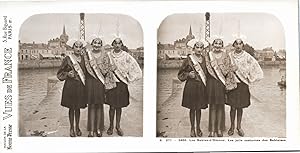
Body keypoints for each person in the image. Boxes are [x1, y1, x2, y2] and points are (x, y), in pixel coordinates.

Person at [105, 38, 142, 136]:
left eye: (119, 43)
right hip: (112, 84)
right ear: (112, 44)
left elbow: (135, 67)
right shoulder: (108, 55)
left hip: (121, 84)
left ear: (121, 44)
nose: (117, 45)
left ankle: (118, 126)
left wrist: (128, 77)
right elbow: (103, 67)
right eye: (115, 43)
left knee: (119, 106)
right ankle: (111, 126)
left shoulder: (126, 56)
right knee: (112, 107)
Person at [226, 38, 263, 137]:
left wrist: (247, 74)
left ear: (243, 45)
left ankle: (239, 127)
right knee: (233, 107)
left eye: (240, 44)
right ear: (234, 45)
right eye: (236, 44)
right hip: (233, 84)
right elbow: (224, 68)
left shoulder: (247, 56)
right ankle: (232, 127)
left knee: (240, 107)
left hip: (242, 84)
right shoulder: (229, 56)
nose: (238, 46)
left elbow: (255, 67)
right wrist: (231, 69)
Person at [83, 37, 115, 137]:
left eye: (99, 43)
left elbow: (106, 68)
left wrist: (98, 66)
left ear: (101, 45)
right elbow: (86, 67)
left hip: (100, 82)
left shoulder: (105, 55)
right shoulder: (86, 54)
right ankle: (91, 129)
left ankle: (98, 128)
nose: (96, 45)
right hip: (90, 82)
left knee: (99, 105)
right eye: (95, 43)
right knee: (91, 105)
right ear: (92, 44)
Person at [205, 38, 235, 137]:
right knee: (212, 106)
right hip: (212, 83)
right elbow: (208, 68)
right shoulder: (208, 55)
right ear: (213, 44)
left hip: (221, 83)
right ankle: (212, 129)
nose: (217, 45)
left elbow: (228, 68)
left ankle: (219, 129)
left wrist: (222, 68)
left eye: (220, 44)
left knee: (221, 106)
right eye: (216, 43)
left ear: (222, 45)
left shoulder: (226, 55)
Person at [57, 40, 87, 137]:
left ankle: (77, 127)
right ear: (73, 48)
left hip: (80, 87)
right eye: (76, 46)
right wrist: (67, 74)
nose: (78, 49)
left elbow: (86, 73)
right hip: (70, 86)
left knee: (77, 108)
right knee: (71, 108)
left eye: (80, 47)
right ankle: (71, 128)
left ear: (82, 48)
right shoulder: (67, 59)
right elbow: (59, 73)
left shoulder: (83, 59)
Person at [178, 41, 208, 137]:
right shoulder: (188, 60)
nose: (199, 49)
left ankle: (198, 127)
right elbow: (180, 74)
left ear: (203, 49)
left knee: (199, 108)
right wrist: (188, 75)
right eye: (197, 47)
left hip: (201, 87)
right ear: (193, 48)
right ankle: (192, 128)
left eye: (201, 48)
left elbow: (207, 74)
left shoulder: (205, 60)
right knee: (192, 109)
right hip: (191, 86)